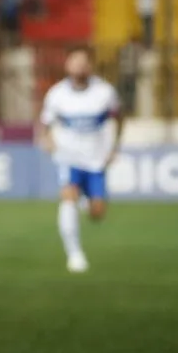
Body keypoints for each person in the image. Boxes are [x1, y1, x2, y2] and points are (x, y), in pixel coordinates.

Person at [36, 46, 124, 273]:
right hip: (68, 157)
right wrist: (46, 140)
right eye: (75, 62)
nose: (79, 67)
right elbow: (44, 124)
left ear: (90, 66)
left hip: (96, 159)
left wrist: (115, 147)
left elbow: (119, 117)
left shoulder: (104, 92)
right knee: (68, 197)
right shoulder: (57, 94)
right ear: (67, 66)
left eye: (83, 62)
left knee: (97, 213)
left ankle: (88, 202)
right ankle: (74, 254)